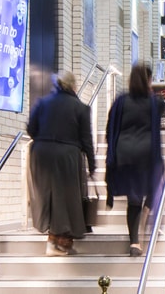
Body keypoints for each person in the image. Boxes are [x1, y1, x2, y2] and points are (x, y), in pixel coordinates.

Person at [26, 70, 96, 256]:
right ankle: (60, 244)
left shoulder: (42, 103)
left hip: (40, 153)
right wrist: (92, 164)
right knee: (66, 198)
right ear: (74, 86)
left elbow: (31, 129)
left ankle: (53, 240)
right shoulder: (81, 108)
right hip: (67, 155)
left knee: (46, 196)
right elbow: (86, 139)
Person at [105, 62, 165, 257]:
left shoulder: (120, 101)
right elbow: (161, 109)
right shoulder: (155, 103)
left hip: (124, 156)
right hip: (147, 156)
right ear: (148, 81)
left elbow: (109, 128)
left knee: (133, 200)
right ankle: (148, 208)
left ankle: (135, 244)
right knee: (157, 185)